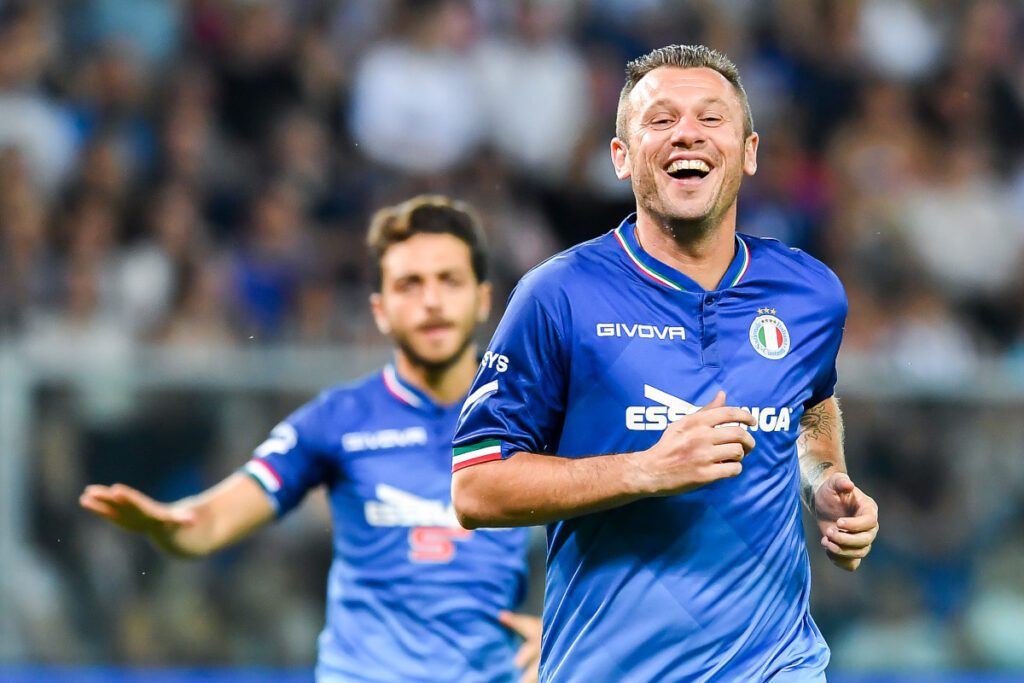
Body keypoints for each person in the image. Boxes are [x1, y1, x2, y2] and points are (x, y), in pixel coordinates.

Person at [451, 45, 880, 682]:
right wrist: (646, 470)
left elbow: (811, 401)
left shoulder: (810, 294)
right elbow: (476, 486)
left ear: (750, 151)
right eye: (660, 120)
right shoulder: (559, 295)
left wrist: (822, 481)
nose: (687, 133)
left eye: (711, 118)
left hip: (776, 665)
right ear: (622, 158)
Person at [80, 195, 541, 683]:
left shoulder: (533, 422)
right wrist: (172, 526)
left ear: (484, 299)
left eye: (449, 281)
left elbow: (608, 543)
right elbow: (212, 520)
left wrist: (560, 625)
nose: (431, 300)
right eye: (410, 284)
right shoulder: (335, 419)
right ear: (380, 310)